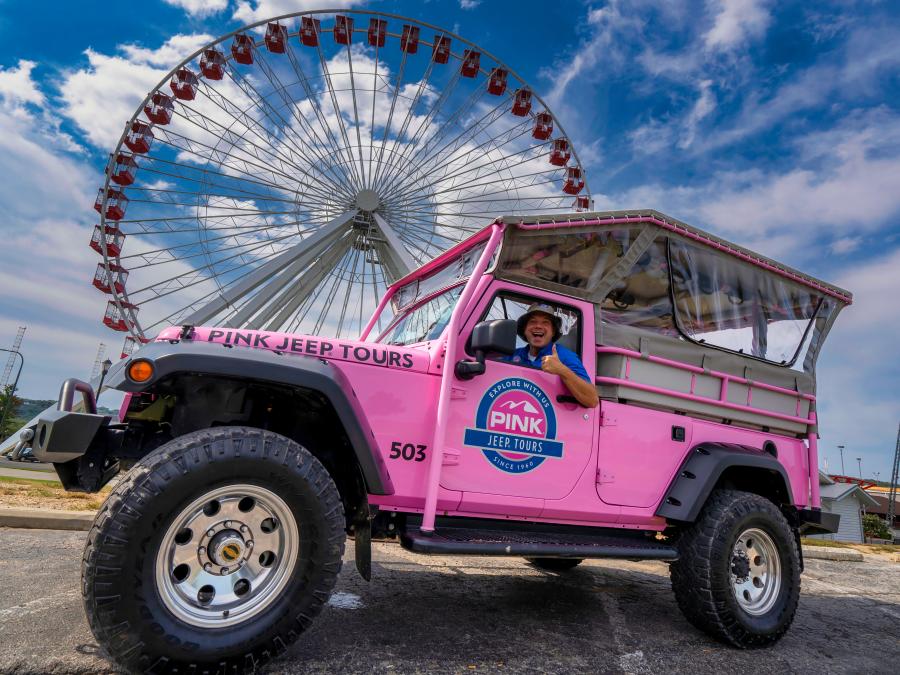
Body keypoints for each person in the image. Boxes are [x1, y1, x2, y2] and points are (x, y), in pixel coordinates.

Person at [508, 303, 599, 408]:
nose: (538, 326)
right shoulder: (512, 355)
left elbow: (592, 400)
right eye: (533, 321)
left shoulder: (565, 356)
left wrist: (561, 370)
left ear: (553, 331)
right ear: (524, 329)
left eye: (545, 322)